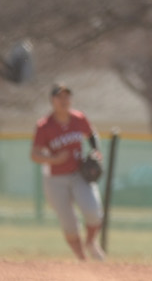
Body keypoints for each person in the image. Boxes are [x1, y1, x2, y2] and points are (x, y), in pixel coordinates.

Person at [30, 84, 106, 261]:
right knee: (69, 224)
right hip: (55, 179)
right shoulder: (44, 125)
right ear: (52, 101)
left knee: (93, 212)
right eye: (59, 97)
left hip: (78, 174)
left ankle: (90, 243)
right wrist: (54, 160)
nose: (64, 101)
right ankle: (82, 260)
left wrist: (96, 150)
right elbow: (34, 154)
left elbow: (91, 134)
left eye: (67, 97)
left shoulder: (79, 118)